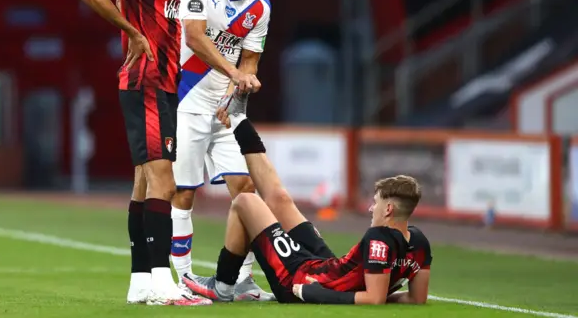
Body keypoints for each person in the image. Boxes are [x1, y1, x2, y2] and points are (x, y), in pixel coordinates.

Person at [80, 0, 219, 306]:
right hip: (147, 82)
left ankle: (141, 280)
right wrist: (133, 34)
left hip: (162, 84)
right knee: (165, 181)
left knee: (144, 182)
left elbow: (137, 6)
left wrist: (137, 26)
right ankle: (163, 284)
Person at [182, 90, 433, 305]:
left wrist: (315, 293)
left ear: (388, 209)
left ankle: (223, 286)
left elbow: (373, 298)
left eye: (376, 202)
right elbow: (415, 298)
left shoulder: (379, 237)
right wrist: (364, 291)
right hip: (326, 267)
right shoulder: (419, 242)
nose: (371, 209)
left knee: (245, 201)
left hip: (299, 280)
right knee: (279, 199)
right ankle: (238, 118)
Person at [170, 0, 274, 301]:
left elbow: (248, 63)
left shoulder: (261, 8)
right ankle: (182, 280)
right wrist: (235, 76)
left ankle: (240, 279)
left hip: (225, 112)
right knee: (184, 191)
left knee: (246, 192)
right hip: (188, 103)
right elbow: (195, 37)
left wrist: (237, 92)